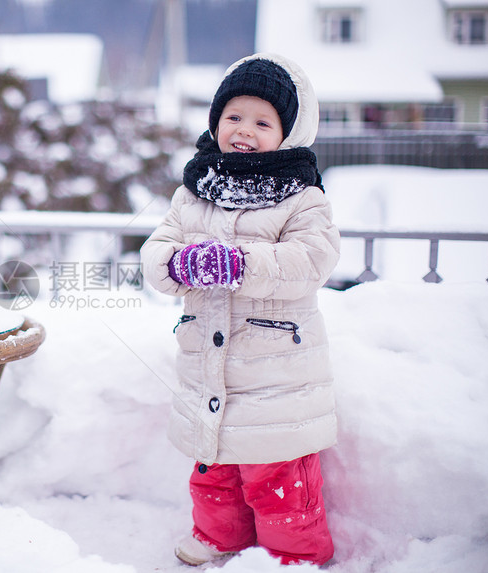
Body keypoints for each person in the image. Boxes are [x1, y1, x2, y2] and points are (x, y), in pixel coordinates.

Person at [140, 53, 340, 567]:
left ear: (288, 132)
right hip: (207, 365)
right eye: (233, 117)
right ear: (215, 122)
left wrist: (238, 263)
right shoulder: (193, 192)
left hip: (276, 370)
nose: (243, 130)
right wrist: (181, 262)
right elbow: (155, 256)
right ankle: (217, 536)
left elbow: (311, 260)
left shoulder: (302, 196)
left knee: (278, 477)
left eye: (261, 121)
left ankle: (294, 556)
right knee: (214, 466)